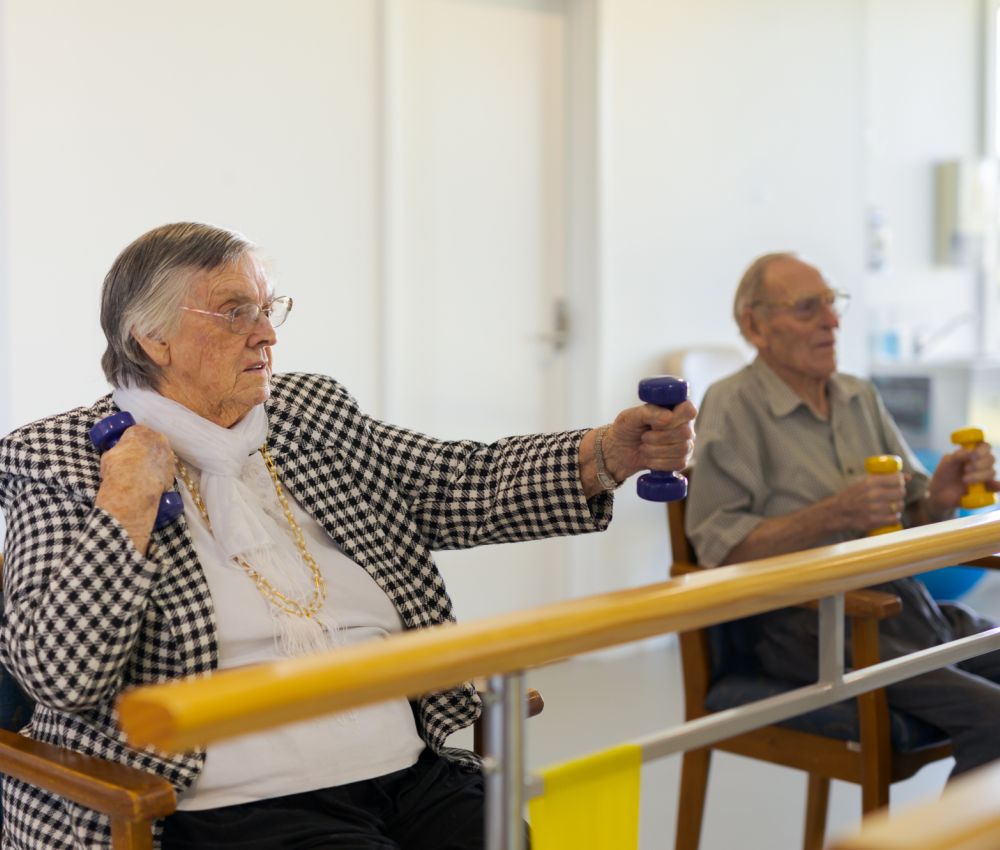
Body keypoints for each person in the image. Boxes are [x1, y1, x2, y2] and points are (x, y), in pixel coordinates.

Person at [0, 222, 695, 850]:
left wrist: (608, 454)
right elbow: (58, 676)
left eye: (268, 310)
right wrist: (126, 501)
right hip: (228, 804)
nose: (266, 334)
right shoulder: (59, 456)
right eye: (235, 313)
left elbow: (456, 483)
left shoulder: (309, 412)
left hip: (401, 770)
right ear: (150, 340)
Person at [686, 251, 1000, 779]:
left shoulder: (858, 395)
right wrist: (834, 513)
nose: (831, 321)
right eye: (808, 308)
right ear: (754, 326)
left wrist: (941, 495)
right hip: (809, 630)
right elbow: (721, 552)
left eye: (832, 304)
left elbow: (910, 516)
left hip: (904, 611)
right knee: (992, 718)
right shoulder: (733, 404)